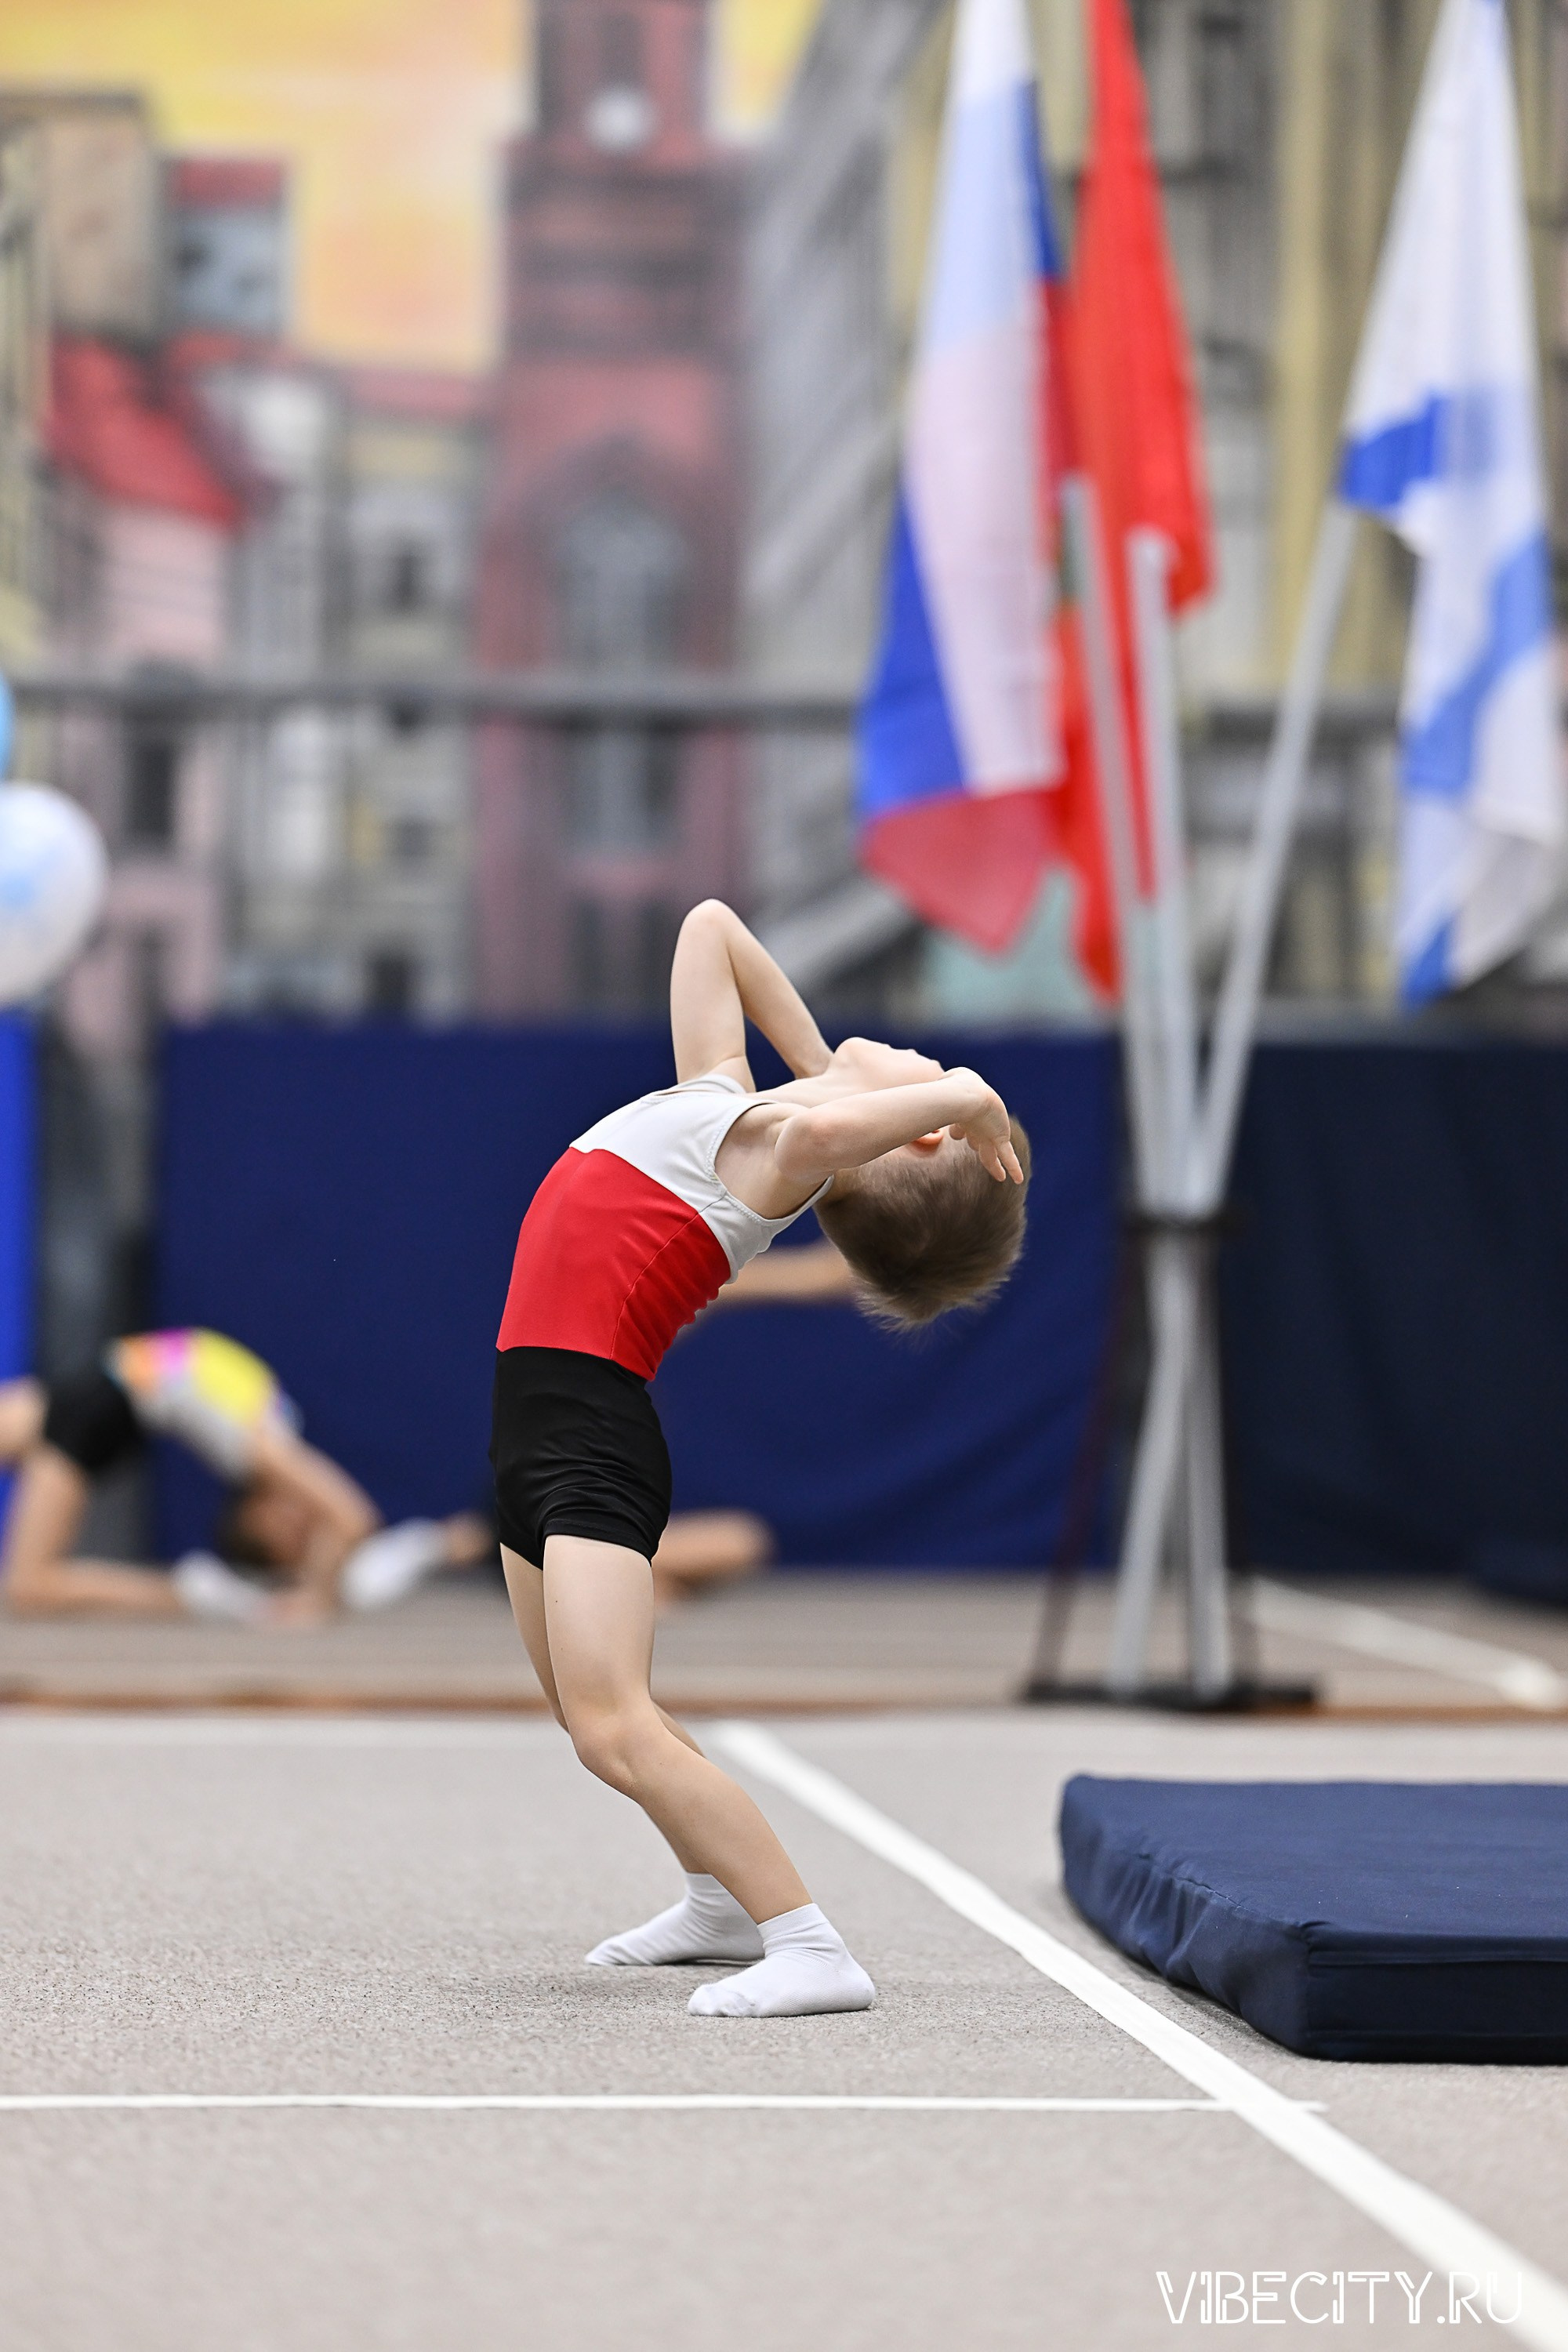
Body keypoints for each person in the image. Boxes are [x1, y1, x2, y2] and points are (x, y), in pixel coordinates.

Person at [491, 898, 1030, 2019]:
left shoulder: (774, 1155)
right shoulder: (733, 1105)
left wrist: (963, 1095)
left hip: (592, 1434)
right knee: (595, 1726)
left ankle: (809, 1945)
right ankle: (719, 1903)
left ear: (922, 1135)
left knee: (613, 1723)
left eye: (931, 1069)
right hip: (531, 1426)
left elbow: (823, 1138)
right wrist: (828, 1068)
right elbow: (709, 930)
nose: (926, 1058)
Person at [0, 1327, 486, 1624]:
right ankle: (188, 1593)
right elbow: (351, 1518)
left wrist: (313, 1597)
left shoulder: (261, 1448)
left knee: (30, 1587)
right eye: (294, 1535)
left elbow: (353, 1526)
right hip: (114, 1383)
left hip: (110, 1398)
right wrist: (317, 1597)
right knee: (32, 1585)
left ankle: (184, 1593)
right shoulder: (271, 1443)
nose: (293, 1529)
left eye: (277, 1547)